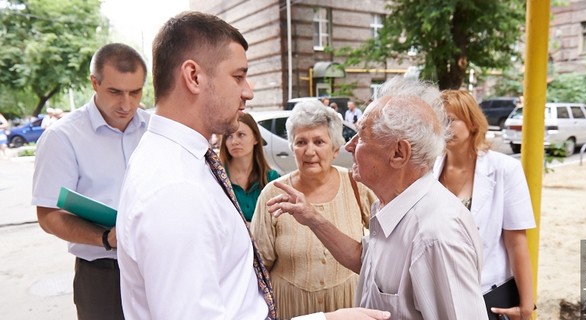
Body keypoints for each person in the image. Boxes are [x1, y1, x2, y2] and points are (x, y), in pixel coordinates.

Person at [116, 11, 390, 320]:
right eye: (238, 76)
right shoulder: (176, 188)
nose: (248, 90)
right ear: (193, 77)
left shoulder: (180, 163)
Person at [266, 77, 488, 319]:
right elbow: (367, 262)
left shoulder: (436, 235)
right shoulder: (393, 205)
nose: (349, 145)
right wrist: (312, 218)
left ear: (398, 153)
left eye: (361, 135)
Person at [31, 43, 148, 320]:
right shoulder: (62, 138)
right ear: (94, 83)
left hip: (157, 267)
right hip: (103, 276)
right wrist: (106, 239)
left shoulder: (154, 130)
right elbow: (48, 215)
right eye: (115, 92)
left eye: (135, 92)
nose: (126, 104)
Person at [251, 100, 376, 319]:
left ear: (335, 149)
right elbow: (260, 267)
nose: (309, 151)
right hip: (291, 310)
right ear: (292, 148)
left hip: (348, 307)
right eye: (301, 142)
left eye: (319, 142)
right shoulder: (273, 194)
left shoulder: (357, 185)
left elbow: (383, 243)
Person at [434, 89, 536, 319]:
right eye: (439, 121)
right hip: (439, 293)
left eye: (450, 120)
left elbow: (517, 242)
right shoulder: (428, 169)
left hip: (486, 293)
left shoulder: (504, 169)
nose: (443, 128)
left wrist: (526, 306)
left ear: (472, 123)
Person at [219, 112, 280, 222]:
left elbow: (278, 222)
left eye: (241, 134)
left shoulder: (271, 179)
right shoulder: (217, 178)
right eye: (229, 136)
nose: (234, 141)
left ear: (256, 138)